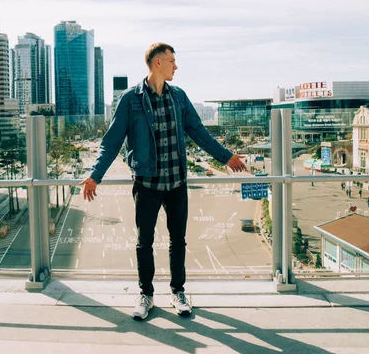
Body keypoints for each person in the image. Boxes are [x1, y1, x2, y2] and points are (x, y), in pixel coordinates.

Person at [79, 43, 247, 321]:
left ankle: (178, 293)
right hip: (146, 184)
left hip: (177, 183)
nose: (176, 66)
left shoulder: (178, 97)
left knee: (178, 241)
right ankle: (146, 295)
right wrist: (95, 175)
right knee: (144, 242)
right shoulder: (131, 99)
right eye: (172, 61)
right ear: (157, 63)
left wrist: (226, 157)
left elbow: (198, 132)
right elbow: (111, 142)